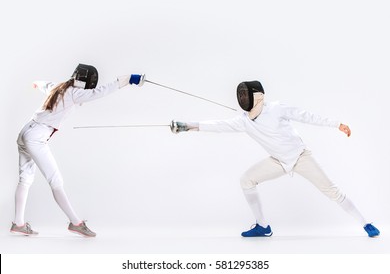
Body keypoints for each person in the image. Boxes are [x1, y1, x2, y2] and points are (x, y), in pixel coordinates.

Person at [170, 80, 380, 238]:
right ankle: (263, 226)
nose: (242, 99)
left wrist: (337, 124)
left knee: (332, 191)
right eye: (240, 95)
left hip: (300, 157)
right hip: (278, 161)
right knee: (246, 180)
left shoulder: (277, 109)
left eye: (246, 94)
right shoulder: (244, 121)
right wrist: (187, 126)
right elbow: (219, 126)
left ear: (257, 96)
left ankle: (365, 223)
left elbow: (306, 115)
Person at [11, 64, 144, 237]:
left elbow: (44, 84)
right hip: (36, 138)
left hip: (25, 133)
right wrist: (127, 79)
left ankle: (18, 223)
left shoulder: (59, 87)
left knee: (25, 178)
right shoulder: (74, 92)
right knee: (55, 181)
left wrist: (36, 83)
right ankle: (76, 223)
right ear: (88, 81)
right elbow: (101, 92)